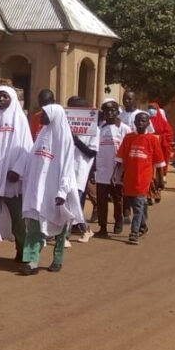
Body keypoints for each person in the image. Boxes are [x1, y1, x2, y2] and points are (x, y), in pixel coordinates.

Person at [17, 104, 83, 275]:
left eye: (45, 114)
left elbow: (67, 167)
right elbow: (33, 159)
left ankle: (58, 258)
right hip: (38, 189)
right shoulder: (42, 135)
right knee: (34, 225)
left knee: (60, 226)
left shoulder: (64, 139)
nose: (42, 117)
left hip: (56, 189)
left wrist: (62, 192)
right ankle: (31, 261)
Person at [0, 86, 33, 260]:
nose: (0, 100)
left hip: (11, 179)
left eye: (4, 97)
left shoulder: (20, 119)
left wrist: (17, 169)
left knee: (17, 218)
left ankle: (22, 251)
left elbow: (26, 147)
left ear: (12, 99)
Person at [113, 111, 165, 245]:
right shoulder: (128, 138)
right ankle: (143, 226)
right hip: (129, 178)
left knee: (138, 205)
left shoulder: (153, 140)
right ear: (134, 123)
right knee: (135, 204)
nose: (140, 123)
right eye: (138, 121)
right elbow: (120, 159)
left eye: (143, 121)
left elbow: (159, 162)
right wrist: (114, 174)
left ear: (148, 123)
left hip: (144, 178)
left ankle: (134, 233)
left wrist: (160, 180)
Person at [94, 99, 131, 237]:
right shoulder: (99, 129)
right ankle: (102, 227)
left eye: (112, 110)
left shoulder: (124, 129)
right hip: (102, 171)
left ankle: (118, 220)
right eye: (106, 111)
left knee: (117, 199)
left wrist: (123, 170)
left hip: (118, 171)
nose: (109, 113)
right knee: (102, 200)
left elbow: (127, 150)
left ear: (117, 112)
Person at [67, 96, 98, 243]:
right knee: (65, 203)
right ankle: (78, 230)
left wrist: (76, 140)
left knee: (74, 203)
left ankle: (76, 232)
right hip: (65, 170)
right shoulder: (64, 126)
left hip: (80, 171)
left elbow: (92, 152)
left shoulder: (94, 130)